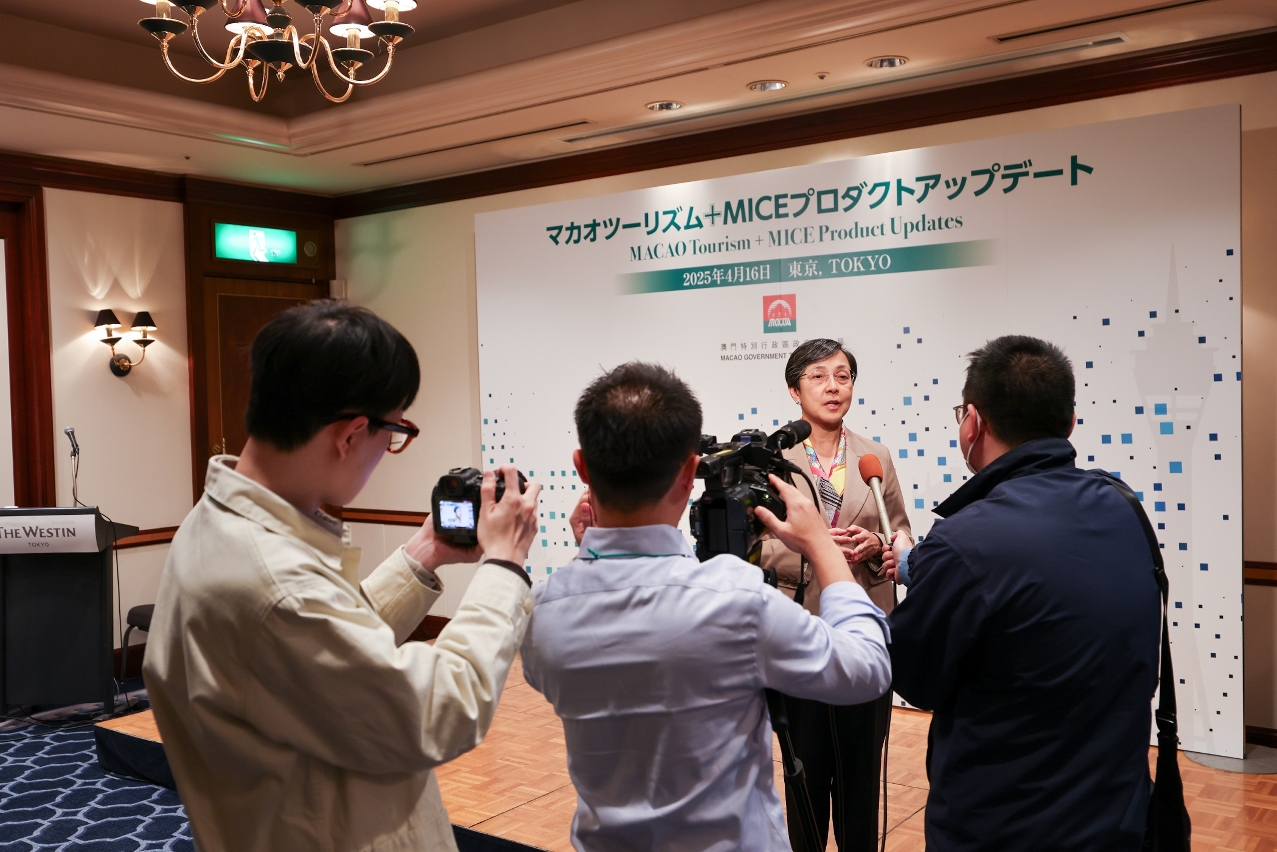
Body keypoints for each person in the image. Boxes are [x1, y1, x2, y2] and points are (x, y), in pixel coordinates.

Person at [143, 301, 542, 852]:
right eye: (394, 433)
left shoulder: (215, 524)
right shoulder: (277, 586)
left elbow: (334, 652)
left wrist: (424, 552)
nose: (388, 451)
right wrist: (504, 565)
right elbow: (440, 711)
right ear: (351, 434)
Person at [523, 361, 893, 852]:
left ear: (582, 467)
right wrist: (820, 545)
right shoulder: (737, 602)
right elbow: (867, 668)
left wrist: (588, 553)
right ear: (690, 472)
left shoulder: (543, 613)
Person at [882, 335, 1161, 851]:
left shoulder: (964, 539)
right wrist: (921, 566)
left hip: (1001, 827)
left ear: (972, 422)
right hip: (1119, 817)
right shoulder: (1123, 507)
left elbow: (915, 677)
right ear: (1070, 421)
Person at [757, 338, 912, 852]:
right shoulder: (772, 457)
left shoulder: (874, 456)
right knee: (805, 776)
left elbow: (901, 532)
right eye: (818, 376)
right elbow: (753, 548)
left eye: (842, 376)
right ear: (794, 390)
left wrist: (878, 544)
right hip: (798, 632)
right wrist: (812, 547)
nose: (832, 387)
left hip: (863, 633)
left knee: (860, 781)